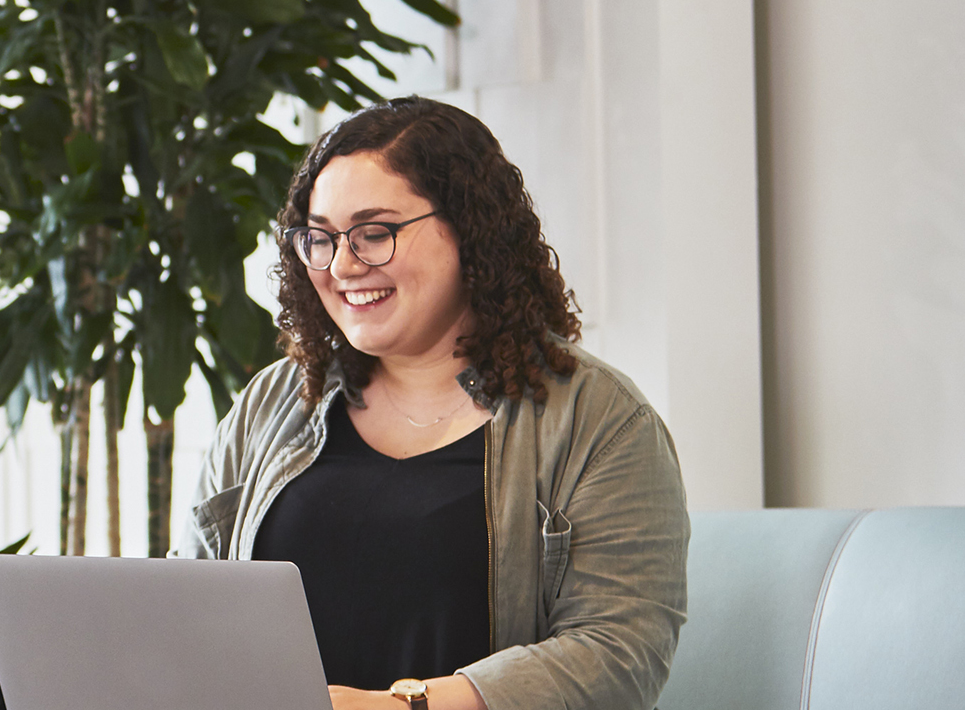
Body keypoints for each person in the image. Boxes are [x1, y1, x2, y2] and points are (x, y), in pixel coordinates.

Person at [175, 97, 688, 710]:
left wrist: (394, 709)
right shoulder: (272, 402)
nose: (341, 265)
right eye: (320, 238)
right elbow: (186, 609)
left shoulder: (602, 421)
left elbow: (618, 654)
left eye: (374, 233)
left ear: (472, 231)